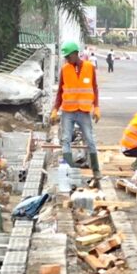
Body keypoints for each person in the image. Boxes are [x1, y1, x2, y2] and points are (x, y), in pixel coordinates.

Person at [50, 41, 102, 187]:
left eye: (69, 56)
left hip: (84, 111)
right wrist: (55, 109)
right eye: (65, 57)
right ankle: (70, 170)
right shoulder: (65, 69)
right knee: (66, 139)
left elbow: (94, 88)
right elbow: (60, 91)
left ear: (76, 54)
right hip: (68, 111)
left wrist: (96, 107)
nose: (67, 59)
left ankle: (96, 170)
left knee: (90, 140)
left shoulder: (89, 68)